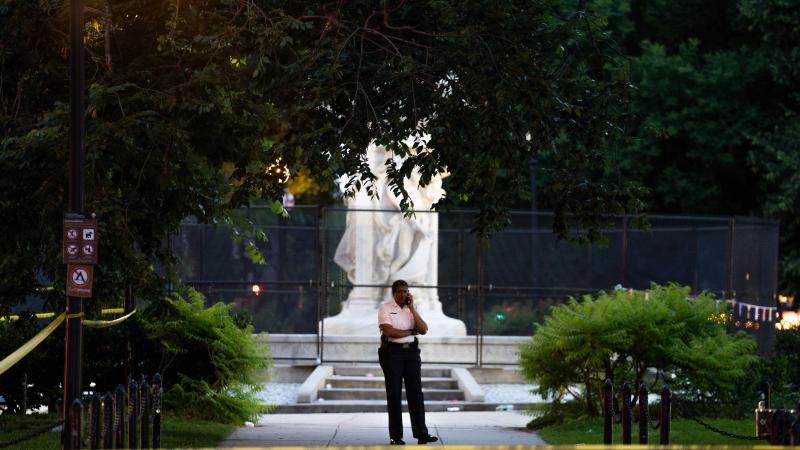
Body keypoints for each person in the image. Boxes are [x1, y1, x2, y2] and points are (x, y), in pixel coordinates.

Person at [378, 280, 439, 445]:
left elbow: (424, 329)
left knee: (416, 394)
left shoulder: (412, 309)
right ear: (394, 292)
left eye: (405, 291)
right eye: (399, 291)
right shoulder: (385, 308)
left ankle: (422, 434)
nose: (403, 294)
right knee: (394, 394)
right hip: (392, 353)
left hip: (411, 353)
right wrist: (411, 331)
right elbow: (389, 331)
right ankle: (396, 437)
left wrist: (412, 308)